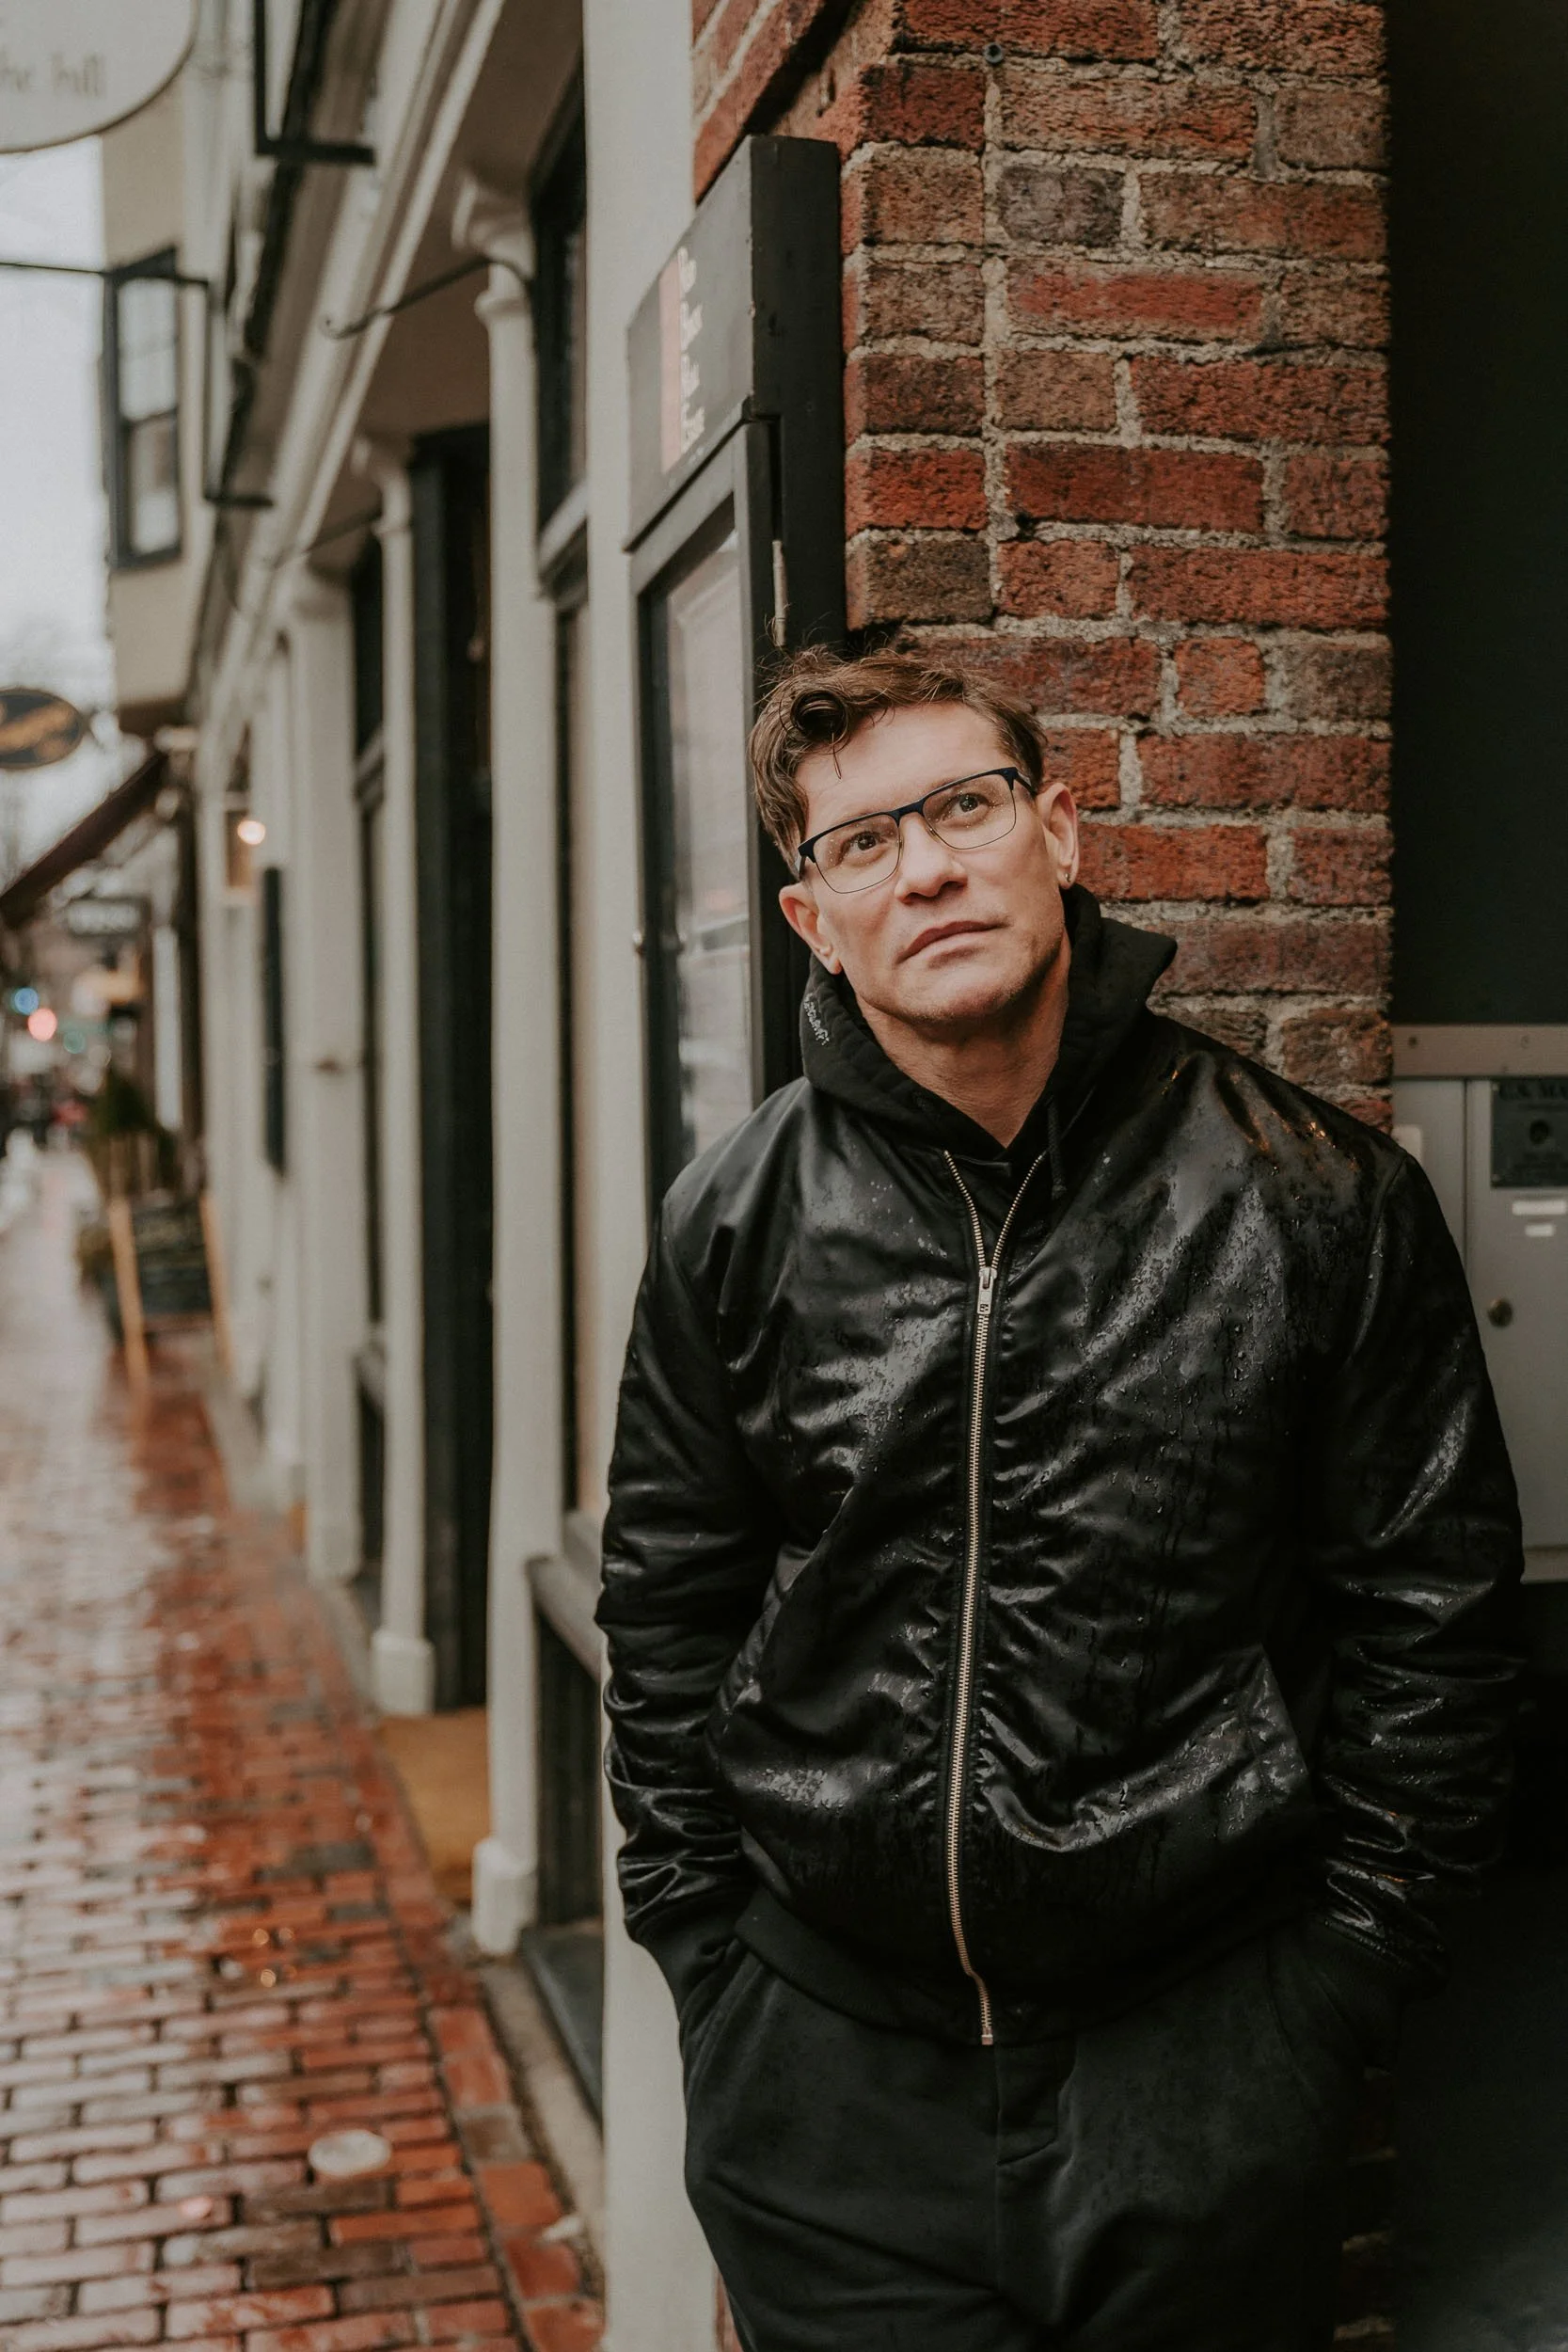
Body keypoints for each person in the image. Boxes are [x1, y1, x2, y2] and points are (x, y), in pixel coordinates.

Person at [596, 647, 1520, 2352]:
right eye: (860, 843)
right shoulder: (732, 1219)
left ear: (1061, 832)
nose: (927, 866)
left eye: (964, 806)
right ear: (813, 920)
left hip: (1200, 2058)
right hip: (825, 2066)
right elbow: (665, 1609)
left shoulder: (1315, 1198)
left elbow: (1434, 1621)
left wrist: (1330, 1991)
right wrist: (709, 1961)